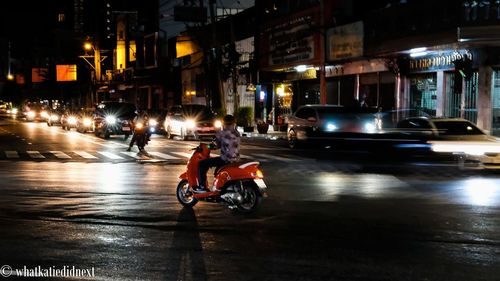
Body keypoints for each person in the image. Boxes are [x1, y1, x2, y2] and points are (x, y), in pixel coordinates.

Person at [194, 114, 241, 193]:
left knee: (202, 164)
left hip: (225, 159)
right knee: (217, 171)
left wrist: (206, 147)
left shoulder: (222, 133)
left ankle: (202, 187)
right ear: (234, 123)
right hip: (236, 159)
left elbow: (215, 145)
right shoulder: (237, 133)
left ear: (224, 123)